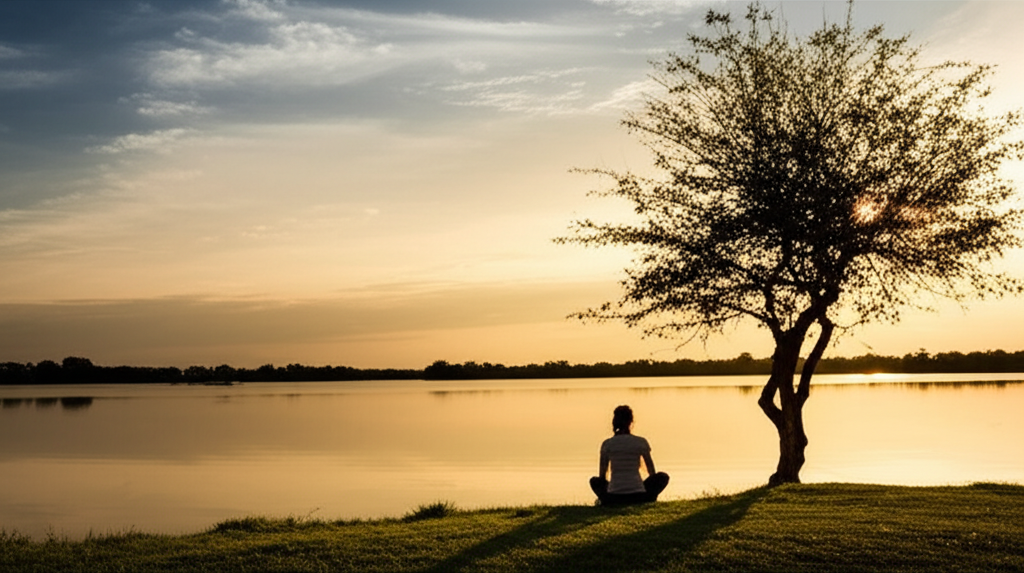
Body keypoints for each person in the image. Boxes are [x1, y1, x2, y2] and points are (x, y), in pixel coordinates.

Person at [589, 405, 669, 504]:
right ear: (631, 422)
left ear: (614, 422)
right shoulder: (640, 442)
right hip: (639, 495)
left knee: (595, 481)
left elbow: (602, 475)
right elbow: (652, 473)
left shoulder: (607, 444)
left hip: (613, 497)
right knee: (662, 476)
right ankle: (650, 498)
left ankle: (605, 500)